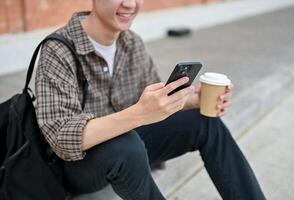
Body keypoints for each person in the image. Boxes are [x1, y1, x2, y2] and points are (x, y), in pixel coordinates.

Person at [35, 0, 266, 199]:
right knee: (126, 145)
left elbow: (155, 106)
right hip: (79, 166)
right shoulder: (58, 50)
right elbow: (61, 137)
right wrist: (138, 115)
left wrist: (193, 101)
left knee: (204, 121)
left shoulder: (131, 43)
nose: (130, 4)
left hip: (130, 149)